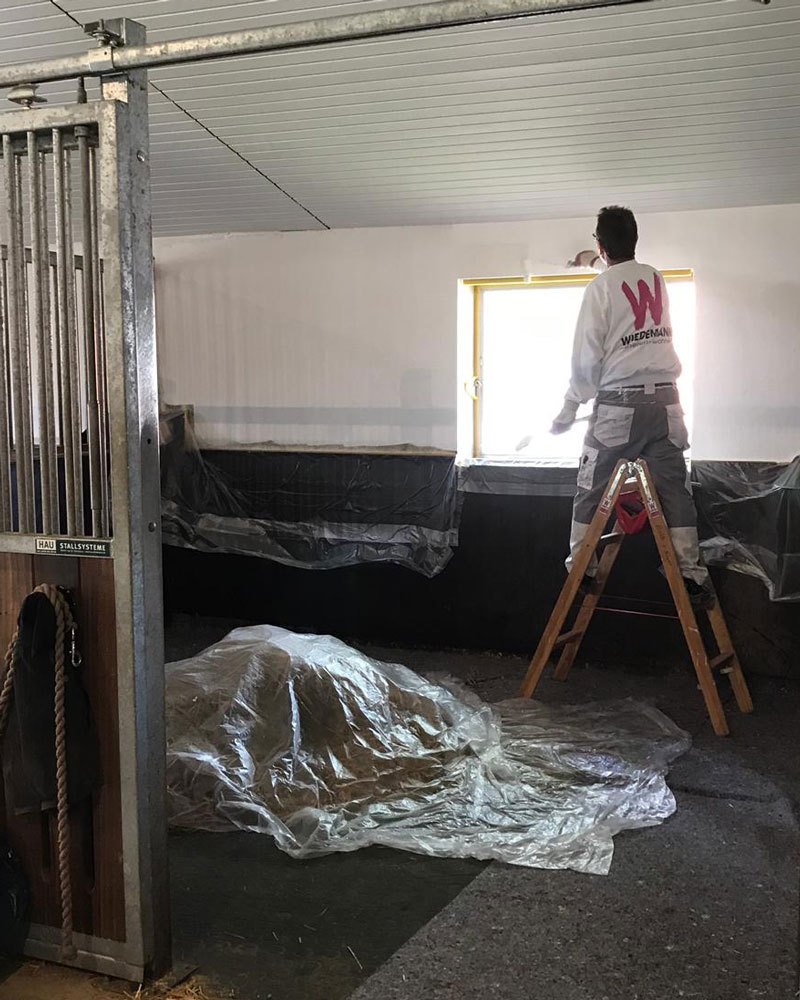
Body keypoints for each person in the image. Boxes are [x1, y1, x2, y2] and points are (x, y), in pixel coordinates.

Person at [551, 205, 713, 608]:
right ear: (635, 239)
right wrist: (594, 261)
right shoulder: (655, 278)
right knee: (675, 490)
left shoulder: (599, 289)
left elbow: (586, 358)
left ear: (601, 244)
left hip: (620, 408)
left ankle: (582, 568)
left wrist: (568, 409)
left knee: (591, 486)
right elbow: (626, 289)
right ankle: (691, 574)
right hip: (667, 405)